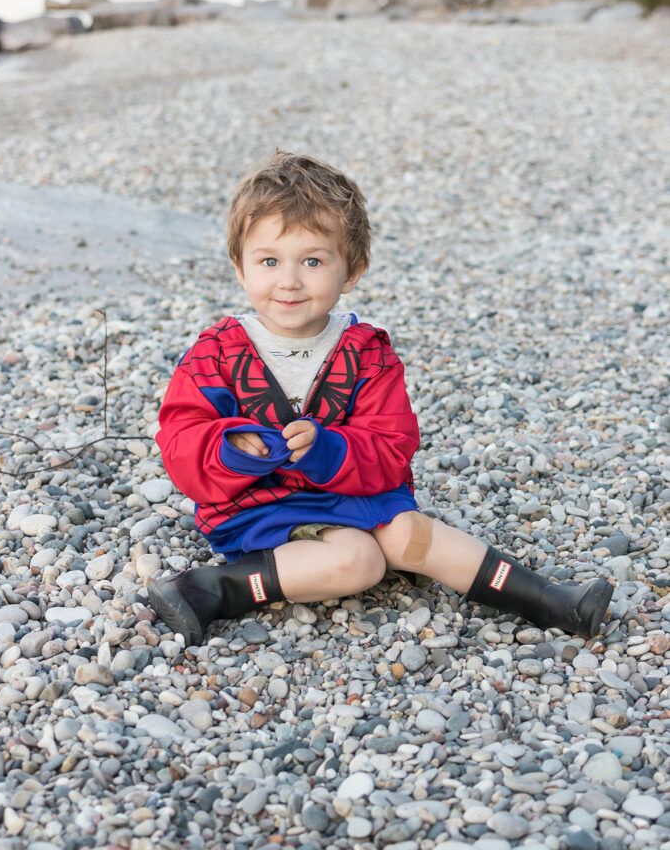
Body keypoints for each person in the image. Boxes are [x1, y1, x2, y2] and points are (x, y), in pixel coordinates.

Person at [148, 152, 613, 646]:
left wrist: (328, 450)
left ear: (352, 271)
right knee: (359, 559)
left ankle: (549, 600)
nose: (289, 280)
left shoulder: (367, 353)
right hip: (261, 507)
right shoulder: (214, 353)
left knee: (409, 532)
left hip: (354, 493)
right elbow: (180, 441)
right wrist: (229, 447)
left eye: (312, 260)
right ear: (240, 268)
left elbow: (391, 450)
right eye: (269, 261)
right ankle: (209, 589)